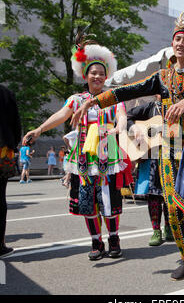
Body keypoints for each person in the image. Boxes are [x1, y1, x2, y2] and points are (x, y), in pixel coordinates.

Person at [72, 11, 184, 280]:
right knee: (174, 208)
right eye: (177, 39)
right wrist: (94, 101)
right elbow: (126, 90)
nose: (180, 43)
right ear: (172, 44)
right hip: (168, 147)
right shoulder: (161, 77)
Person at [23, 36, 132, 260]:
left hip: (108, 154)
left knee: (108, 199)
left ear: (106, 76)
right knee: (87, 200)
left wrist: (117, 130)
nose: (98, 76)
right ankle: (95, 242)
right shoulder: (76, 99)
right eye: (94, 73)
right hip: (82, 157)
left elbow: (122, 117)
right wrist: (39, 130)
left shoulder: (113, 98)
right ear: (86, 75)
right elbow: (60, 115)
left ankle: (113, 238)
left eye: (101, 73)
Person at [127, 95, 173, 246]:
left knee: (170, 195)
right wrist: (135, 133)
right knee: (154, 195)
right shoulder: (150, 107)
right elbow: (126, 117)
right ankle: (156, 231)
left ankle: (169, 228)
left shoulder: (178, 106)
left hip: (172, 155)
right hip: (151, 157)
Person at [0, 84, 21, 258]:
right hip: (3, 148)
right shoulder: (6, 92)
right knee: (0, 196)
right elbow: (16, 124)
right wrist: (13, 144)